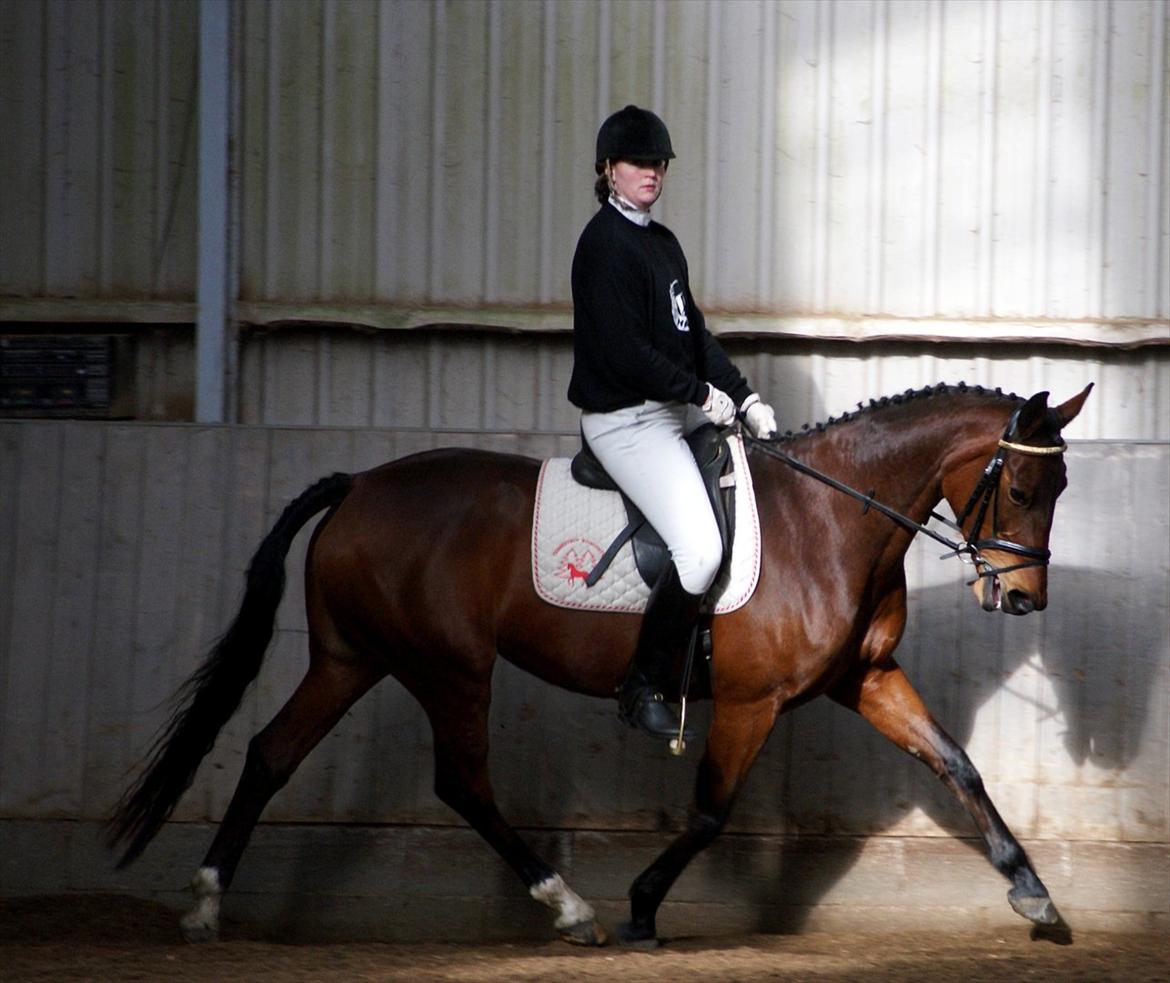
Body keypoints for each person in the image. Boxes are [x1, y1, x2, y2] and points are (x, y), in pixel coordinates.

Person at [567, 105, 778, 739]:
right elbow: (628, 351)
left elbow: (694, 337)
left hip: (664, 414)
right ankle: (642, 683)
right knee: (701, 549)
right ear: (609, 170)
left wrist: (742, 396)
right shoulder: (602, 245)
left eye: (657, 162)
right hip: (624, 424)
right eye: (637, 162)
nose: (650, 172)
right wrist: (699, 395)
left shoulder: (662, 243)